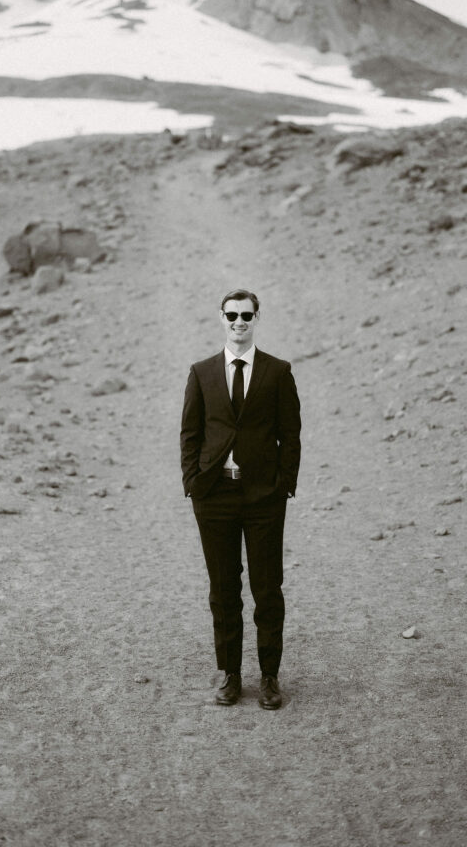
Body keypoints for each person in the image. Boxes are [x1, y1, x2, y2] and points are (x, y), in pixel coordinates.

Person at [180, 289, 301, 708]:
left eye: (246, 315)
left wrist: (284, 483)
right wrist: (192, 482)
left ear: (256, 318)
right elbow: (190, 433)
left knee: (268, 588)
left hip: (264, 496)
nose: (239, 322)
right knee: (223, 589)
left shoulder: (278, 371)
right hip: (214, 496)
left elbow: (291, 434)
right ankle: (231, 675)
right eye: (232, 315)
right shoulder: (201, 372)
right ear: (221, 317)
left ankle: (269, 677)